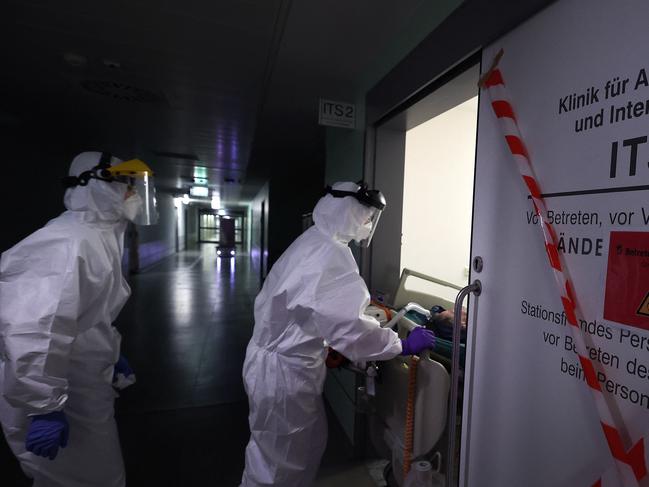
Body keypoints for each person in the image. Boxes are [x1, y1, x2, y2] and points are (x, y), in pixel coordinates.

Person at [240, 181, 436, 487]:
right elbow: (351, 328)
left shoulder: (312, 241)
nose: (369, 223)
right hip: (285, 375)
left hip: (274, 364)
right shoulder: (331, 255)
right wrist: (400, 344)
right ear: (349, 212)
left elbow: (312, 308)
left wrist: (327, 342)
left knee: (281, 453)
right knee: (281, 467)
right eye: (367, 215)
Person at [0, 151, 156, 487]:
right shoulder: (66, 244)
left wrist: (110, 353)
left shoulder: (96, 239)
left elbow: (84, 318)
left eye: (133, 185)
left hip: (77, 386)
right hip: (55, 396)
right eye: (123, 184)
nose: (132, 194)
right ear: (92, 184)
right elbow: (34, 330)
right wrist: (42, 406)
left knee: (94, 476)